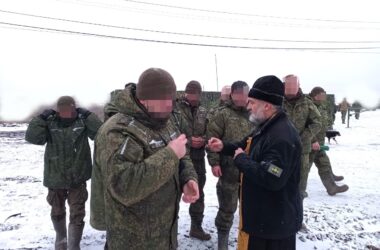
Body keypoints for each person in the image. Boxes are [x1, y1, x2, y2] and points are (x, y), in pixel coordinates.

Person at [90, 68, 199, 249]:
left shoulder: (165, 119)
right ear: (143, 100)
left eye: (171, 101)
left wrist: (188, 178)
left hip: (165, 234)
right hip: (133, 239)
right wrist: (170, 155)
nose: (169, 107)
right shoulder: (117, 130)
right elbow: (124, 185)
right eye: (163, 102)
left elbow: (181, 151)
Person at [208, 75, 302, 250]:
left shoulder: (281, 137)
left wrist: (241, 160)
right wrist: (223, 146)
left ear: (266, 105)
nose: (248, 106)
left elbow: (273, 176)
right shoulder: (266, 125)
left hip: (273, 228)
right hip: (263, 220)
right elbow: (244, 144)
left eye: (252, 102)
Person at [25, 96, 103, 250]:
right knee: (57, 211)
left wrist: (89, 116)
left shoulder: (82, 122)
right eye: (63, 109)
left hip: (77, 178)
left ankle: (74, 246)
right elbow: (33, 138)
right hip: (55, 178)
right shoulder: (51, 122)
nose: (66, 112)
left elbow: (100, 135)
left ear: (74, 108)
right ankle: (61, 240)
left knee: (77, 213)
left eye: (69, 109)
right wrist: (40, 118)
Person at [206, 81, 253, 250]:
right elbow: (211, 140)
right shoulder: (222, 114)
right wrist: (214, 162)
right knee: (227, 209)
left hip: (252, 172)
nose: (242, 98)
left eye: (245, 94)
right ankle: (223, 244)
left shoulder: (254, 112)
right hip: (229, 171)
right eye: (238, 94)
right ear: (232, 95)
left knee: (251, 210)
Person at [175, 81, 210, 240]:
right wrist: (189, 140)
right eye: (191, 94)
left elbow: (211, 131)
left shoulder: (204, 110)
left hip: (198, 159)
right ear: (186, 93)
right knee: (172, 194)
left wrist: (204, 139)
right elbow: (170, 131)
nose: (193, 97)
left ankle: (196, 227)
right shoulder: (175, 108)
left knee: (198, 194)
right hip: (177, 158)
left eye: (196, 94)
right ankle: (170, 230)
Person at [283, 75, 322, 200]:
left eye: (293, 87)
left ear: (298, 86)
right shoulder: (277, 101)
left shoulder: (307, 103)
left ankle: (296, 218)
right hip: (280, 149)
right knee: (279, 184)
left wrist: (303, 136)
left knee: (300, 187)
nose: (290, 91)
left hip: (301, 151)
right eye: (287, 87)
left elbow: (317, 122)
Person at [308, 87, 349, 195]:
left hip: (319, 142)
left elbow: (323, 120)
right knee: (303, 168)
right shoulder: (308, 106)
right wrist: (312, 140)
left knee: (324, 163)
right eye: (322, 95)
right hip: (309, 142)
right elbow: (305, 125)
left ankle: (331, 186)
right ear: (315, 95)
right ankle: (294, 189)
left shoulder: (320, 106)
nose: (324, 97)